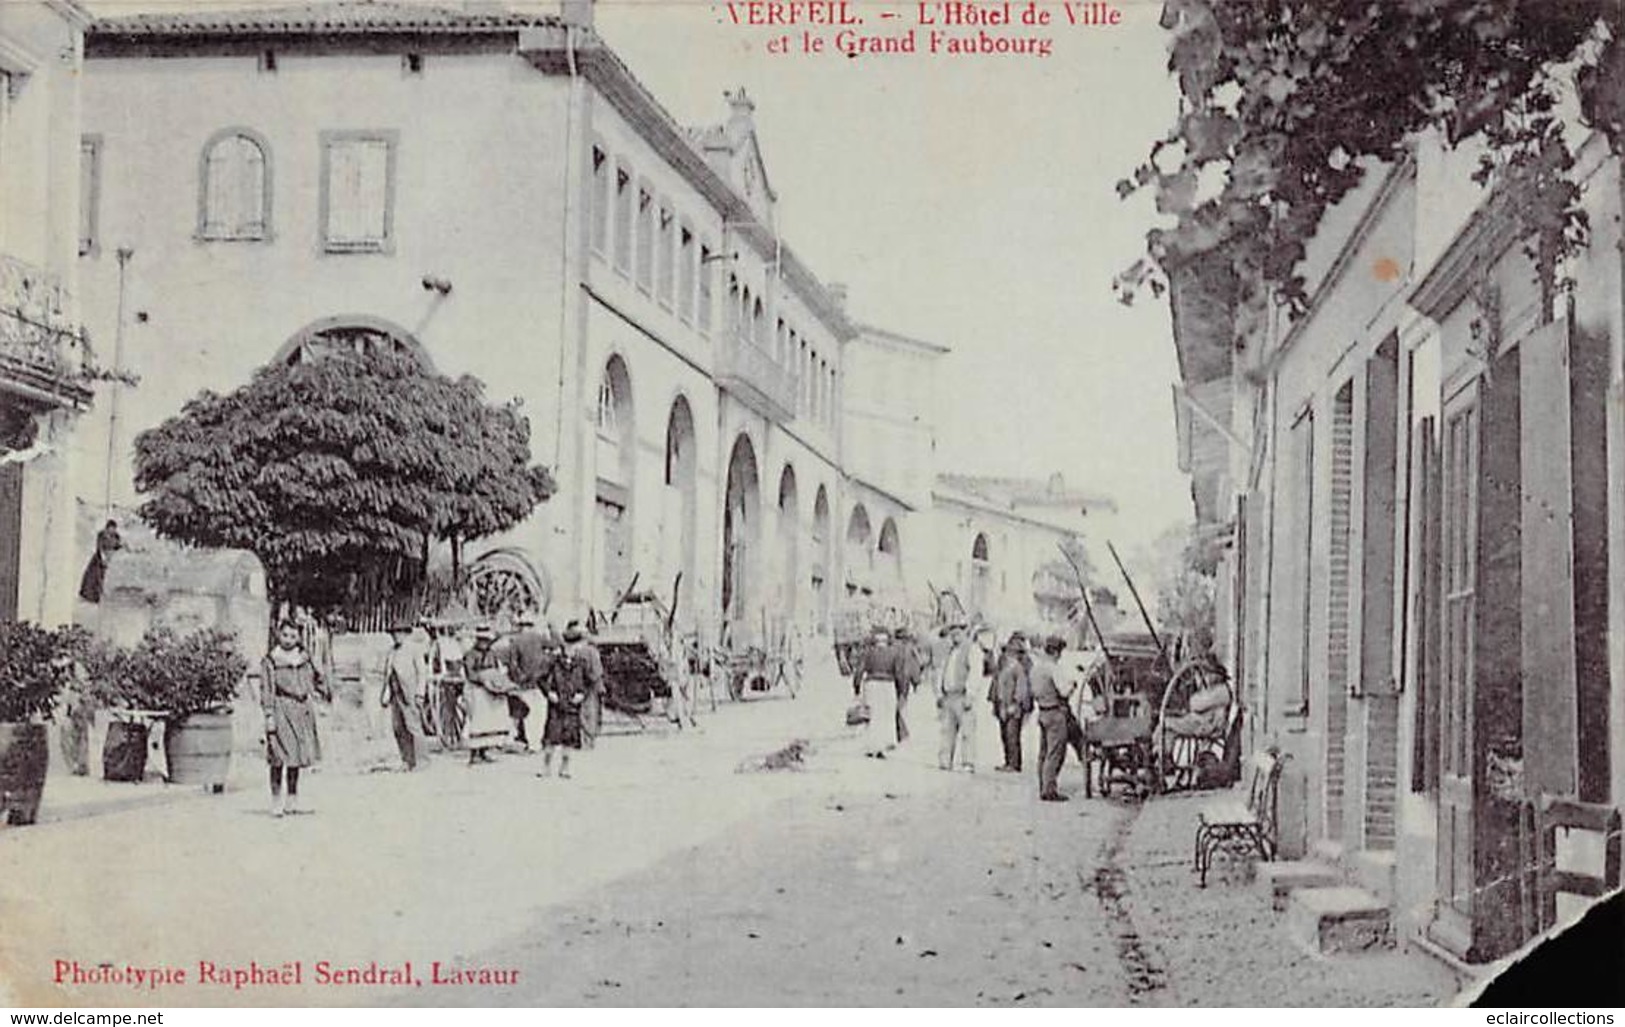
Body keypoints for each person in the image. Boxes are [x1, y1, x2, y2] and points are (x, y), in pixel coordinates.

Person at [261, 620, 329, 817]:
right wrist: (269, 715)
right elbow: (267, 689)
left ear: (298, 637)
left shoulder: (304, 658)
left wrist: (317, 682)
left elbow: (319, 681)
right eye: (285, 635)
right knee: (278, 756)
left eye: (293, 636)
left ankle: (292, 800)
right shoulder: (271, 660)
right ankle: (276, 801)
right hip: (281, 708)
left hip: (301, 710)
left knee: (295, 757)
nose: (289, 640)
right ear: (278, 635)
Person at [541, 624, 592, 778]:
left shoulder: (581, 662)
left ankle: (565, 767)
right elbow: (541, 678)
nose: (575, 649)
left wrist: (582, 694)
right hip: (556, 704)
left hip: (572, 705)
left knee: (569, 738)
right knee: (551, 737)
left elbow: (589, 681)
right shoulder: (554, 662)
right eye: (573, 646)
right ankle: (546, 766)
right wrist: (549, 693)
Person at [1030, 634, 1076, 802]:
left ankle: (1043, 785)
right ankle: (1049, 790)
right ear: (1056, 652)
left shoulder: (1036, 668)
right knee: (1055, 752)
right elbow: (1064, 691)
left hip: (1042, 711)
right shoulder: (1053, 668)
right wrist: (1072, 686)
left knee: (1043, 752)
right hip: (1055, 713)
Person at [379, 623, 429, 771]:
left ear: (406, 633)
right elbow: (387, 674)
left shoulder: (414, 649)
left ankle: (422, 760)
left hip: (410, 693)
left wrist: (420, 693)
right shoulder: (391, 652)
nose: (396, 636)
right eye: (394, 633)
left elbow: (422, 672)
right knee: (398, 728)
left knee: (414, 727)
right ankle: (406, 760)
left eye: (399, 632)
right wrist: (385, 694)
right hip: (396, 694)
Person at [461, 624, 514, 765]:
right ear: (477, 640)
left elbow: (496, 668)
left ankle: (484, 751)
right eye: (481, 640)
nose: (484, 643)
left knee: (489, 722)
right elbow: (470, 674)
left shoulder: (492, 654)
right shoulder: (470, 655)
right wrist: (483, 678)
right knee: (477, 721)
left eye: (486, 640)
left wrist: (496, 680)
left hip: (489, 691)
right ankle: (474, 754)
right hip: (476, 690)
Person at [504, 612, 554, 752]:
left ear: (521, 626)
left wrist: (519, 678)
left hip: (523, 683)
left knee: (526, 713)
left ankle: (527, 741)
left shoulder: (515, 641)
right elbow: (555, 645)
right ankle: (535, 743)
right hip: (538, 682)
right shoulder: (539, 638)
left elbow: (513, 664)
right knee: (539, 713)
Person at [934, 622, 981, 772]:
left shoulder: (972, 649)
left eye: (957, 633)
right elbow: (940, 672)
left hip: (963, 696)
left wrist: (971, 695)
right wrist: (939, 694)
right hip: (949, 696)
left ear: (964, 633)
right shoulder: (948, 651)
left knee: (967, 731)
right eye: (952, 634)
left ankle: (968, 762)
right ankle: (945, 760)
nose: (954, 636)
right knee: (947, 731)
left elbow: (975, 673)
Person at [989, 631, 1032, 772]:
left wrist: (1016, 703)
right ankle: (1008, 762)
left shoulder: (1018, 668)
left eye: (1010, 652)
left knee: (1012, 735)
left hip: (1013, 706)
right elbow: (996, 684)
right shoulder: (1003, 667)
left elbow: (1022, 688)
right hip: (1002, 704)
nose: (1008, 654)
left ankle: (1014, 763)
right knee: (1005, 734)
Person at [565, 621, 606, 749]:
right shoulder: (591, 651)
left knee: (579, 713)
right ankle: (588, 741)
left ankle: (582, 740)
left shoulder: (571, 651)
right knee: (590, 713)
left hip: (577, 685)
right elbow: (597, 671)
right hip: (590, 686)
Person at [77, 520, 123, 604]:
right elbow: (99, 547)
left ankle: (97, 596)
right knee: (93, 577)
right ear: (107, 528)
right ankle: (88, 596)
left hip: (108, 558)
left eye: (114, 528)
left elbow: (118, 546)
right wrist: (103, 558)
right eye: (110, 528)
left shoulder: (116, 536)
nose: (112, 530)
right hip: (98, 559)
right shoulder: (101, 535)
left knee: (102, 577)